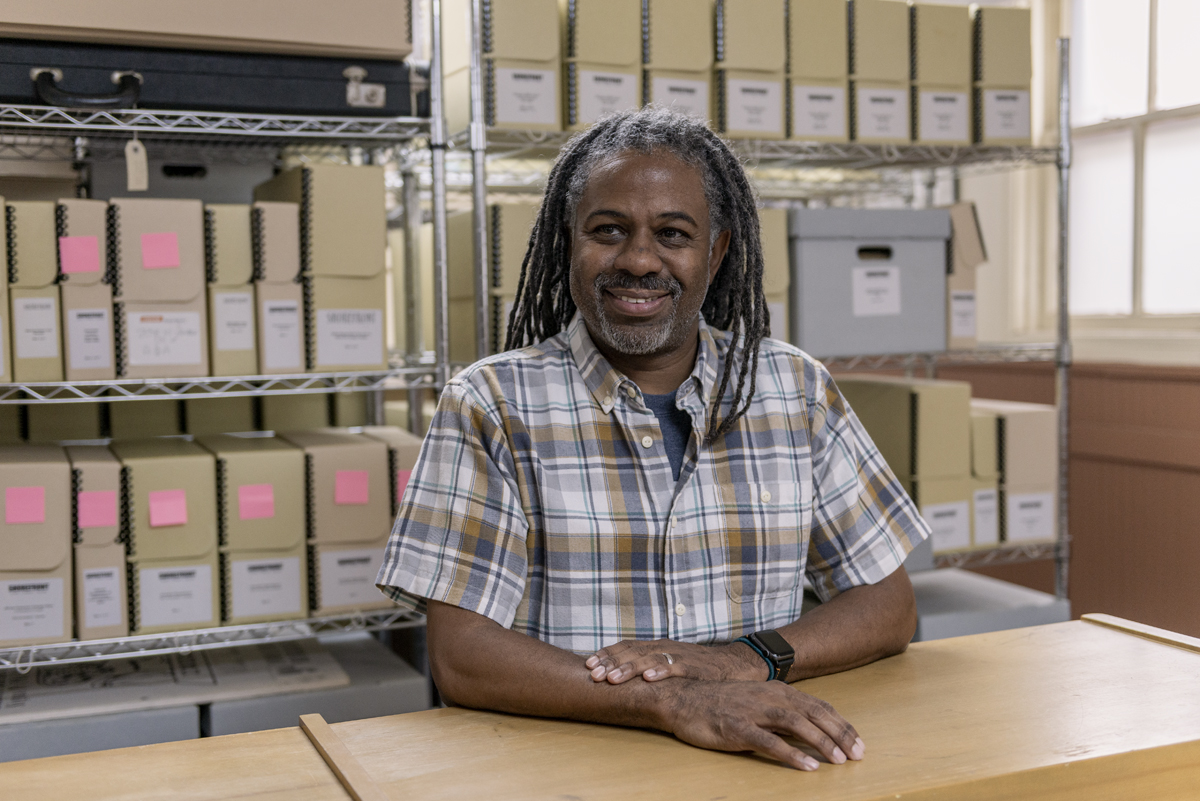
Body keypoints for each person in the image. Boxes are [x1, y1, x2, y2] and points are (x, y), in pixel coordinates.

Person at [377, 106, 929, 772]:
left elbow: (888, 603)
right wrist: (674, 701)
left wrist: (743, 659)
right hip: (564, 776)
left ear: (716, 251)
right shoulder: (492, 404)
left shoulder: (794, 389)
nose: (639, 258)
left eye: (673, 233)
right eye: (608, 230)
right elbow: (461, 654)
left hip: (763, 768)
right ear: (569, 241)